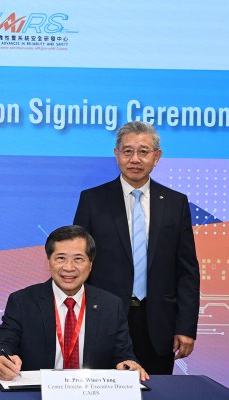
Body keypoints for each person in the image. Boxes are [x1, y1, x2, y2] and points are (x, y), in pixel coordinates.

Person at [73, 121, 200, 375]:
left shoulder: (176, 203)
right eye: (127, 151)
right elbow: (78, 262)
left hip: (158, 324)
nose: (135, 159)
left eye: (143, 151)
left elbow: (187, 270)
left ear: (157, 157)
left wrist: (186, 326)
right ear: (116, 154)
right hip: (104, 318)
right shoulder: (93, 200)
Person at [0, 225, 148, 382]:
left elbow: (123, 355)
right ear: (49, 262)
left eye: (78, 259)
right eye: (61, 258)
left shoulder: (111, 305)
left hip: (92, 394)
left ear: (91, 264)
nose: (69, 267)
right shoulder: (22, 301)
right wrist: (0, 359)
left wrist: (128, 365)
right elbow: (2, 344)